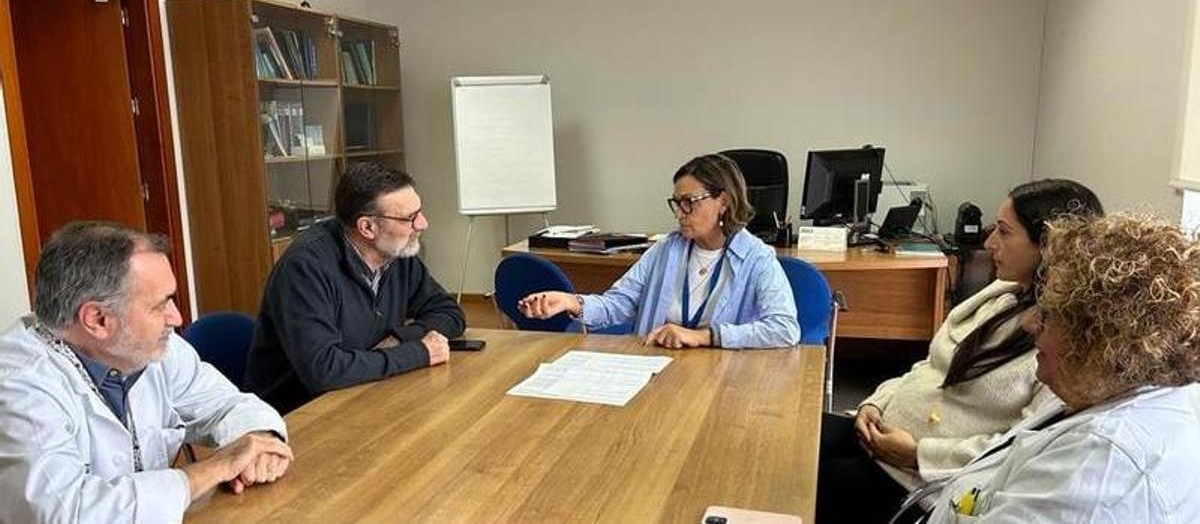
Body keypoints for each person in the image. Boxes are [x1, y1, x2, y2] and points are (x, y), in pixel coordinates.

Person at [816, 179, 1103, 524]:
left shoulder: (1060, 346)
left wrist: (918, 455)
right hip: (880, 437)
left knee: (798, 484)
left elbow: (1017, 450)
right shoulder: (1003, 293)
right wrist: (875, 402)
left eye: (1004, 232)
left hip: (917, 482)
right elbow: (931, 367)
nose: (988, 242)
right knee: (792, 439)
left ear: (1048, 245)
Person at [0, 221, 292, 522]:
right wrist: (216, 468)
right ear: (98, 319)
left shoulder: (151, 349)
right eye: (160, 305)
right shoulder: (20, 386)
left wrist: (259, 442)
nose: (176, 318)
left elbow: (229, 404)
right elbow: (67, 513)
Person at [920, 212, 1200, 522]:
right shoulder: (1104, 388)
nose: (1029, 322)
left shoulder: (1097, 471)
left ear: (1102, 340)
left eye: (1050, 314)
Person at [245, 162, 466, 413]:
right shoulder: (305, 269)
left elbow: (450, 313)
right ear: (367, 227)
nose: (423, 224)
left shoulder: (396, 254)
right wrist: (418, 352)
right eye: (409, 218)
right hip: (300, 415)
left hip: (365, 391)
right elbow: (324, 371)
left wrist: (398, 339)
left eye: (420, 212)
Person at [519, 153, 799, 349]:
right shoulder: (666, 249)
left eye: (689, 202)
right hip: (655, 368)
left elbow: (784, 329)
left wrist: (703, 337)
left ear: (723, 201)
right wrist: (572, 302)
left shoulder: (756, 257)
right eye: (676, 203)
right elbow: (620, 303)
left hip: (721, 377)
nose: (679, 213)